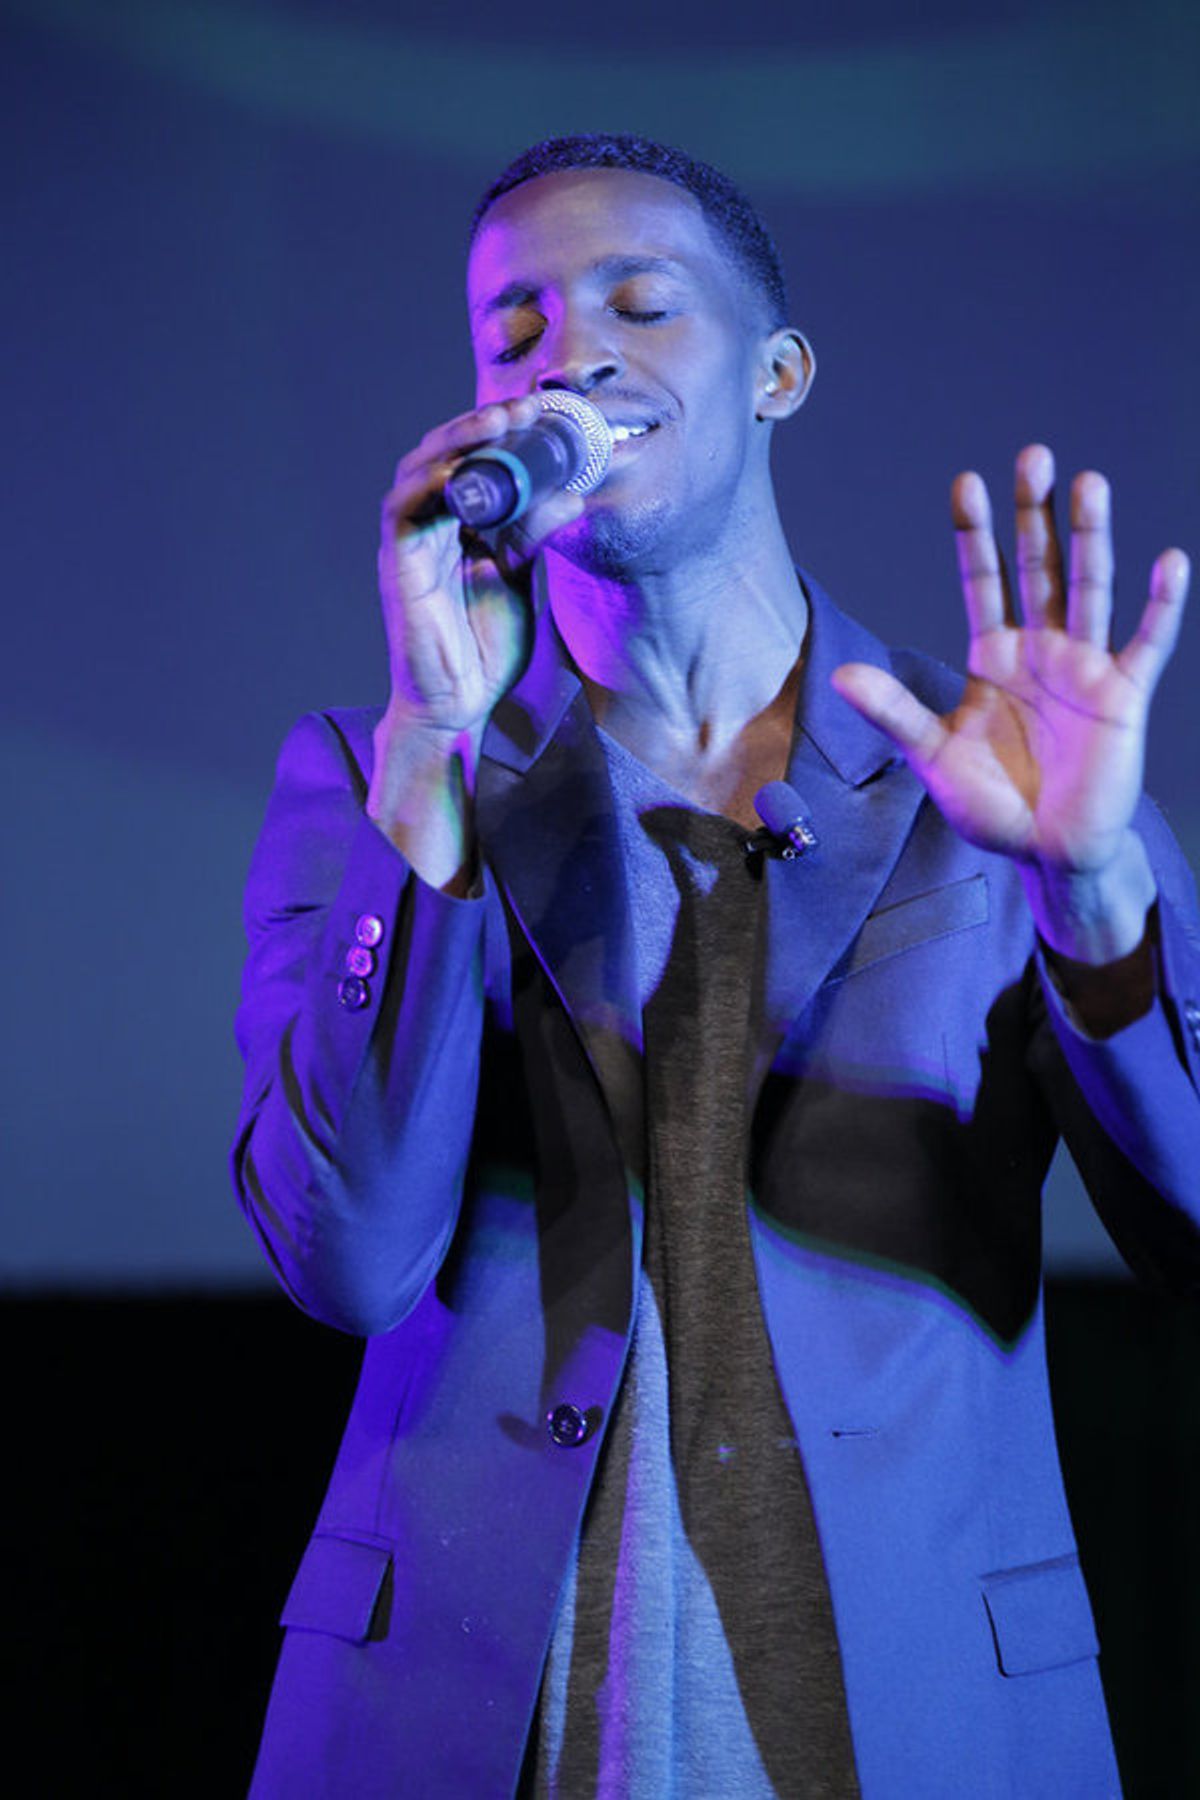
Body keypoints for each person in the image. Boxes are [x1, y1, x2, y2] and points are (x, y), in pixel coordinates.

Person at [232, 134, 1200, 1797]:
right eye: (515, 326)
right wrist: (430, 754)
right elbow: (346, 1260)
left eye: (641, 304)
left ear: (778, 374)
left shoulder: (983, 778)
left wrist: (1097, 888)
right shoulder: (381, 772)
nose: (571, 355)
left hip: (908, 1727)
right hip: (476, 1728)